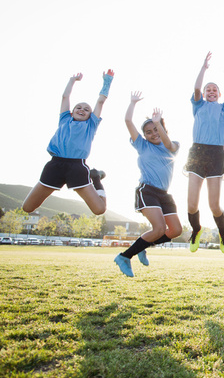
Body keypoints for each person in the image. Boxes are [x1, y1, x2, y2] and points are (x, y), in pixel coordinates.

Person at [23, 70, 114, 215]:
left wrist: (107, 81)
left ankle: (96, 178)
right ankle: (93, 177)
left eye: (86, 109)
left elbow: (101, 101)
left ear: (90, 116)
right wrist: (72, 80)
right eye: (78, 107)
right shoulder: (65, 119)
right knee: (27, 208)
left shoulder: (91, 125)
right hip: (55, 165)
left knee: (99, 210)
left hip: (77, 166)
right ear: (72, 112)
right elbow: (65, 96)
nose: (82, 110)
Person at [114, 93, 182, 277]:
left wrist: (158, 122)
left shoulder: (172, 146)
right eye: (149, 132)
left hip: (165, 194)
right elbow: (128, 121)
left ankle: (142, 245)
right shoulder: (142, 145)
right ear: (144, 136)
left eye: (156, 129)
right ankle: (124, 256)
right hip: (148, 190)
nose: (153, 134)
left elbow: (168, 143)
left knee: (176, 230)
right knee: (159, 229)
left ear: (163, 128)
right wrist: (132, 103)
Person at [185, 52, 224, 254]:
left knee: (214, 205)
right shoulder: (199, 105)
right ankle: (196, 230)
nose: (211, 91)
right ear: (204, 94)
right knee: (191, 204)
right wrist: (204, 68)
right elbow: (196, 87)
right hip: (197, 152)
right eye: (208, 90)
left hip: (216, 155)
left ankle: (223, 233)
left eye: (214, 90)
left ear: (219, 94)